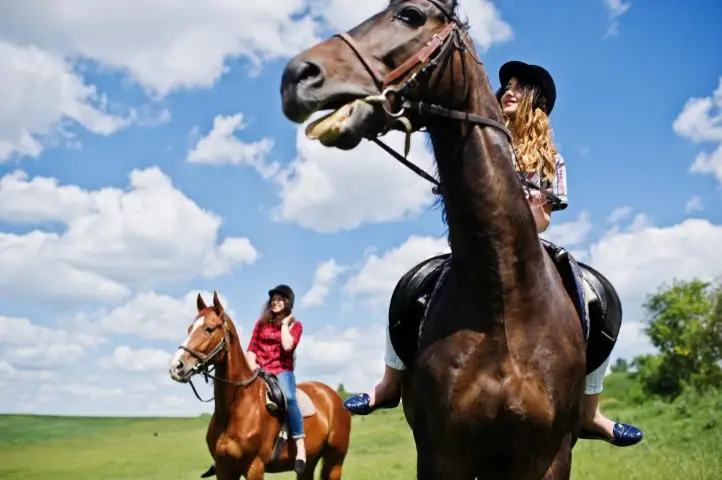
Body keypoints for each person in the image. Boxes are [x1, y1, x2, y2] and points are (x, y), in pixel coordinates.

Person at [342, 61, 643, 448]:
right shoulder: (478, 147)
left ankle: (589, 411)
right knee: (409, 286)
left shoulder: (551, 158)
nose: (508, 90)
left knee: (600, 298)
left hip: (528, 249)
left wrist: (529, 209)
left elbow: (543, 222)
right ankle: (388, 385)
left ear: (538, 101)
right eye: (506, 85)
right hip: (474, 248)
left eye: (520, 86)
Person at [246, 284, 307, 473]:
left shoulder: (295, 326)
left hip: (281, 370)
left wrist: (283, 326)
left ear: (287, 303)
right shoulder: (260, 323)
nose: (275, 302)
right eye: (273, 299)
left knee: (289, 398)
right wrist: (252, 365)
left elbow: (288, 346)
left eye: (280, 299)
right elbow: (251, 349)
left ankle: (300, 447)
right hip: (259, 370)